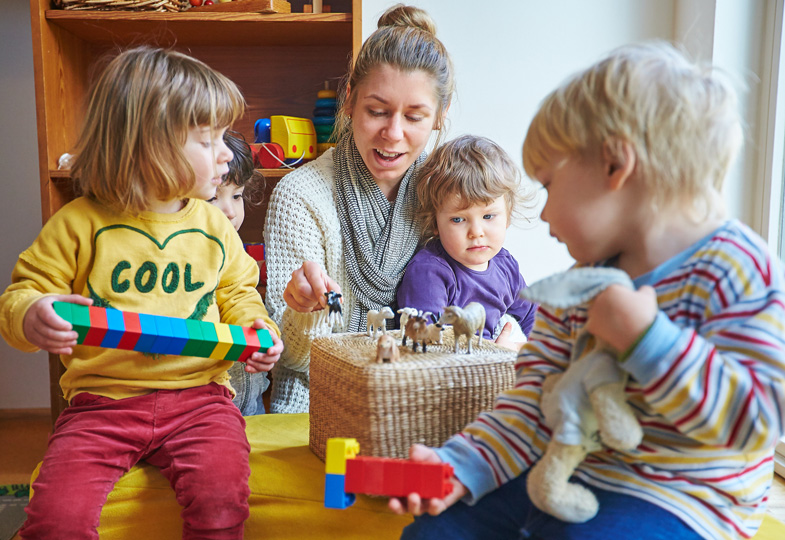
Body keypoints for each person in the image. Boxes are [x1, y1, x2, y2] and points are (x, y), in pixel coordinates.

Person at [389, 42, 785, 540]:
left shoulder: (737, 268)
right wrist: (460, 465)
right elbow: (532, 400)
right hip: (570, 471)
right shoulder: (580, 279)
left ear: (616, 167)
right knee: (434, 532)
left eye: (551, 185)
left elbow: (758, 419)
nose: (546, 213)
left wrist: (648, 341)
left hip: (685, 500)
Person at [0, 46, 283, 540]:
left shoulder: (214, 225)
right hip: (101, 403)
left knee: (222, 502)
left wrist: (258, 327)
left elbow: (240, 289)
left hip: (201, 400)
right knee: (55, 519)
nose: (225, 152)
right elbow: (24, 292)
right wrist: (33, 314)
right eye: (207, 139)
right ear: (147, 145)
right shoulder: (78, 224)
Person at [264, 4, 455, 413]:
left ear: (440, 116)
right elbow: (291, 358)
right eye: (377, 111)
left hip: (414, 404)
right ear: (349, 100)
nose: (393, 133)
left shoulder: (446, 197)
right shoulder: (301, 196)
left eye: (415, 116)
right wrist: (302, 313)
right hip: (314, 409)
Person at [396, 135, 538, 351]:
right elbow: (428, 343)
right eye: (458, 219)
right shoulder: (429, 273)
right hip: (452, 373)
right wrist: (496, 351)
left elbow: (532, 318)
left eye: (489, 216)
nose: (476, 232)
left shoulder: (505, 266)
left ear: (507, 215)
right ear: (435, 222)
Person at [208, 130, 270, 415]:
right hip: (206, 409)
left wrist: (264, 331)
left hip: (251, 405)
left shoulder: (239, 256)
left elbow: (244, 299)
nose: (230, 211)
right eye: (213, 199)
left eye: (237, 196)